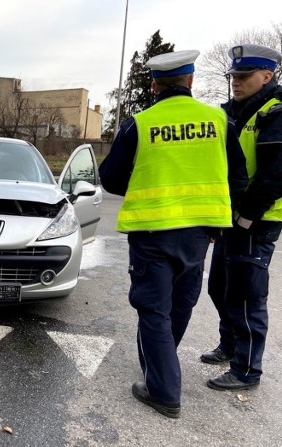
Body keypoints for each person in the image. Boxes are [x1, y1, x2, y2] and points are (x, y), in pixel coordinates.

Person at [99, 50, 248, 418]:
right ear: (191, 81)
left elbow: (111, 178)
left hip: (153, 233)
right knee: (180, 304)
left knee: (153, 309)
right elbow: (238, 177)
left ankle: (164, 390)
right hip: (200, 234)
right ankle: (159, 362)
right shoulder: (220, 120)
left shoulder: (141, 123)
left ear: (154, 85)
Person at [201, 44, 282, 391]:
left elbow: (276, 174)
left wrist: (247, 214)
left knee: (247, 295)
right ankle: (229, 344)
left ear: (267, 76)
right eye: (233, 76)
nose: (236, 81)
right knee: (220, 286)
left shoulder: (276, 112)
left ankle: (247, 369)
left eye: (243, 76)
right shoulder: (230, 112)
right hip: (230, 218)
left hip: (257, 219)